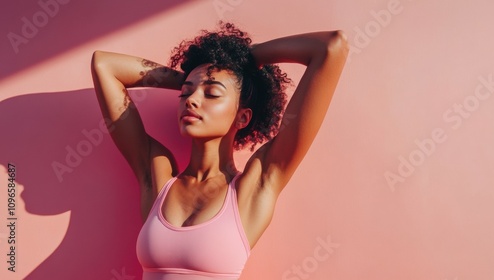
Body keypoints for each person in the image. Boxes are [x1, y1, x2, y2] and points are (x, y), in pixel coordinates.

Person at [91, 22, 348, 280]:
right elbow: (104, 66)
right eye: (186, 93)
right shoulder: (157, 177)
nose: (191, 100)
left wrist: (245, 60)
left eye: (212, 93)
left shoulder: (254, 187)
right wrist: (192, 76)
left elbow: (331, 48)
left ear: (243, 117)